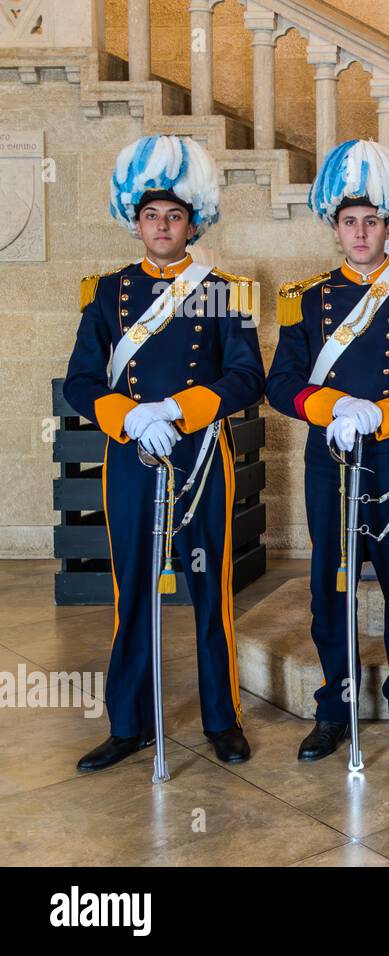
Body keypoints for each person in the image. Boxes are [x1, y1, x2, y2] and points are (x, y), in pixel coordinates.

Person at [65, 135, 265, 771]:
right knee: (135, 594)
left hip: (202, 453)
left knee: (211, 589)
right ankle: (130, 723)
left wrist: (178, 410)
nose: (162, 226)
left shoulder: (226, 289)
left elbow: (246, 376)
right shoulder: (106, 292)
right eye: (151, 215)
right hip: (131, 457)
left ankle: (221, 719)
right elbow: (80, 380)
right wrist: (129, 417)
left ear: (193, 222)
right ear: (136, 221)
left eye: (174, 216)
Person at [266, 139, 389, 761]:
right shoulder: (304, 298)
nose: (360, 232)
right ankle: (337, 706)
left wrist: (382, 412)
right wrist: (332, 408)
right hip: (330, 460)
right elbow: (280, 383)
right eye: (349, 221)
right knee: (332, 584)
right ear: (335, 225)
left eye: (371, 221)